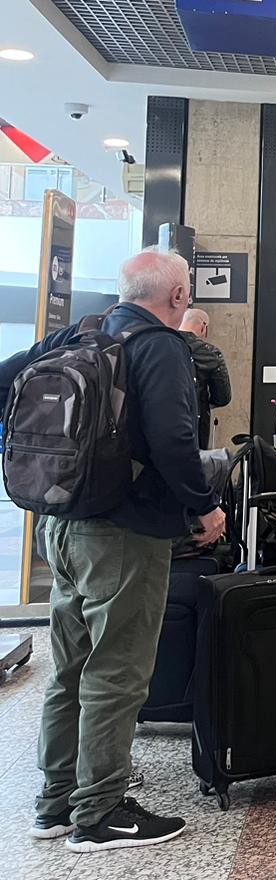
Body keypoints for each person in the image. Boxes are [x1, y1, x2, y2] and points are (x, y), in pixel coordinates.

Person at [0, 249, 225, 851]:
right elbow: (175, 440)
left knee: (70, 666)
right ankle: (100, 813)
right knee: (118, 670)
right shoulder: (161, 348)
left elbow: (5, 385)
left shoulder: (79, 334)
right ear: (179, 296)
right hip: (124, 535)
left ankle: (57, 801)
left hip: (60, 525)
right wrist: (204, 506)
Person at [178, 308, 230, 449]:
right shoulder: (211, 353)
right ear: (203, 326)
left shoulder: (163, 345)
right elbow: (223, 397)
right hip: (196, 425)